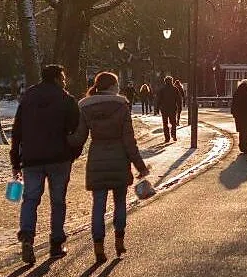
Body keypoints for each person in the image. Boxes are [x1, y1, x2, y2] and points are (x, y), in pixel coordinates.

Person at [68, 72, 150, 263]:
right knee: (120, 203)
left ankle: (98, 247)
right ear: (113, 86)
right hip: (119, 160)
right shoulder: (122, 106)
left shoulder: (86, 107)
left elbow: (79, 137)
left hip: (97, 159)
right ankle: (119, 242)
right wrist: (140, 166)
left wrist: (61, 140)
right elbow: (129, 141)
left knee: (98, 205)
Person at [9, 65, 81, 264]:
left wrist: (15, 159)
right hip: (59, 157)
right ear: (58, 78)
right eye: (63, 77)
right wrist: (73, 153)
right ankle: (56, 243)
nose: (65, 81)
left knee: (30, 199)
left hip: (31, 158)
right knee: (58, 201)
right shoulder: (66, 99)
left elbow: (17, 131)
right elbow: (77, 129)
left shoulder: (28, 98)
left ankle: (27, 236)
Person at [157, 76, 182, 142]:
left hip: (164, 109)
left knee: (165, 123)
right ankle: (173, 134)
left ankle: (167, 138)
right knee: (173, 122)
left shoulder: (162, 89)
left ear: (165, 81)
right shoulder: (175, 89)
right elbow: (179, 99)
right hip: (173, 108)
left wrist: (157, 108)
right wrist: (180, 107)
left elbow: (158, 99)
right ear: (172, 81)